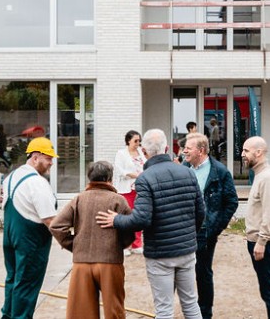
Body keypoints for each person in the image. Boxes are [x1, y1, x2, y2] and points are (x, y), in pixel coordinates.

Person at [97, 129, 205, 319]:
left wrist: (116, 220)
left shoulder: (145, 178)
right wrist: (189, 234)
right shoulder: (187, 172)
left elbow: (141, 219)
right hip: (187, 250)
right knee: (191, 304)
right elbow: (200, 212)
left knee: (164, 309)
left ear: (144, 152)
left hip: (160, 253)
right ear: (166, 148)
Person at [50, 161, 134, 319]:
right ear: (109, 178)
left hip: (81, 263)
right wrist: (119, 245)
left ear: (90, 178)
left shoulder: (78, 199)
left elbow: (56, 226)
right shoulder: (118, 200)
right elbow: (130, 230)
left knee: (82, 313)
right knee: (114, 311)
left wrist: (75, 245)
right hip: (110, 262)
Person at [182, 133, 238, 319]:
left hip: (205, 232)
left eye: (188, 148)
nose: (184, 151)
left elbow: (231, 202)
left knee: (203, 273)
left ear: (201, 150)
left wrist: (215, 228)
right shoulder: (183, 169)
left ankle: (205, 313)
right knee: (181, 272)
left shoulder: (220, 172)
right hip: (183, 230)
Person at [1, 137, 58, 319]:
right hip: (31, 241)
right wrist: (70, 240)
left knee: (13, 280)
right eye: (48, 158)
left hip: (11, 236)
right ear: (35, 157)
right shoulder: (37, 183)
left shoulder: (11, 177)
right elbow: (50, 219)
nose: (51, 163)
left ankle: (8, 316)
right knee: (26, 284)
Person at [241, 136, 270, 319]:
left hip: (264, 243)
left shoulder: (267, 177)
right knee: (266, 290)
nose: (242, 154)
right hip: (258, 241)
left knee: (269, 290)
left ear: (258, 152)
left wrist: (261, 241)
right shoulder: (260, 175)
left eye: (246, 151)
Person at [113, 130, 145, 253]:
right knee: (126, 216)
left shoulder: (141, 152)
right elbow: (120, 170)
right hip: (126, 189)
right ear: (128, 141)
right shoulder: (121, 154)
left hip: (140, 189)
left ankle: (137, 244)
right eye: (135, 141)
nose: (138, 143)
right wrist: (135, 175)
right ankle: (125, 245)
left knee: (138, 215)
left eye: (139, 141)